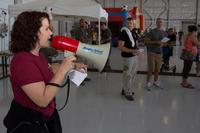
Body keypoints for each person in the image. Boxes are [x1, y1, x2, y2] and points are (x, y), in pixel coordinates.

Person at [3, 11, 86, 133]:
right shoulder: (23, 62)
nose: (51, 33)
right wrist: (63, 69)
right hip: (29, 124)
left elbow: (50, 68)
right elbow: (43, 100)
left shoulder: (38, 55)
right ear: (33, 32)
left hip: (44, 119)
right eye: (47, 29)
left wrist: (72, 66)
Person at [118, 17, 140, 101]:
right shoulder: (123, 32)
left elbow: (135, 43)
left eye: (131, 23)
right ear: (125, 23)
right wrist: (133, 50)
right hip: (127, 58)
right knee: (127, 74)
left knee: (132, 74)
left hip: (134, 56)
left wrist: (137, 49)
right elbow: (120, 47)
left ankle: (125, 88)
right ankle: (128, 92)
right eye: (128, 23)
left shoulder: (133, 31)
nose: (129, 25)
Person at [144, 18, 168, 91]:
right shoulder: (152, 31)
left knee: (157, 69)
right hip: (151, 52)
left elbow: (165, 42)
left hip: (159, 53)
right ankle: (148, 82)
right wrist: (156, 42)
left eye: (160, 22)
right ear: (156, 23)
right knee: (151, 68)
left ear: (163, 23)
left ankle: (155, 81)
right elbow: (146, 41)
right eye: (158, 22)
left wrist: (163, 44)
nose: (159, 23)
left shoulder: (165, 33)